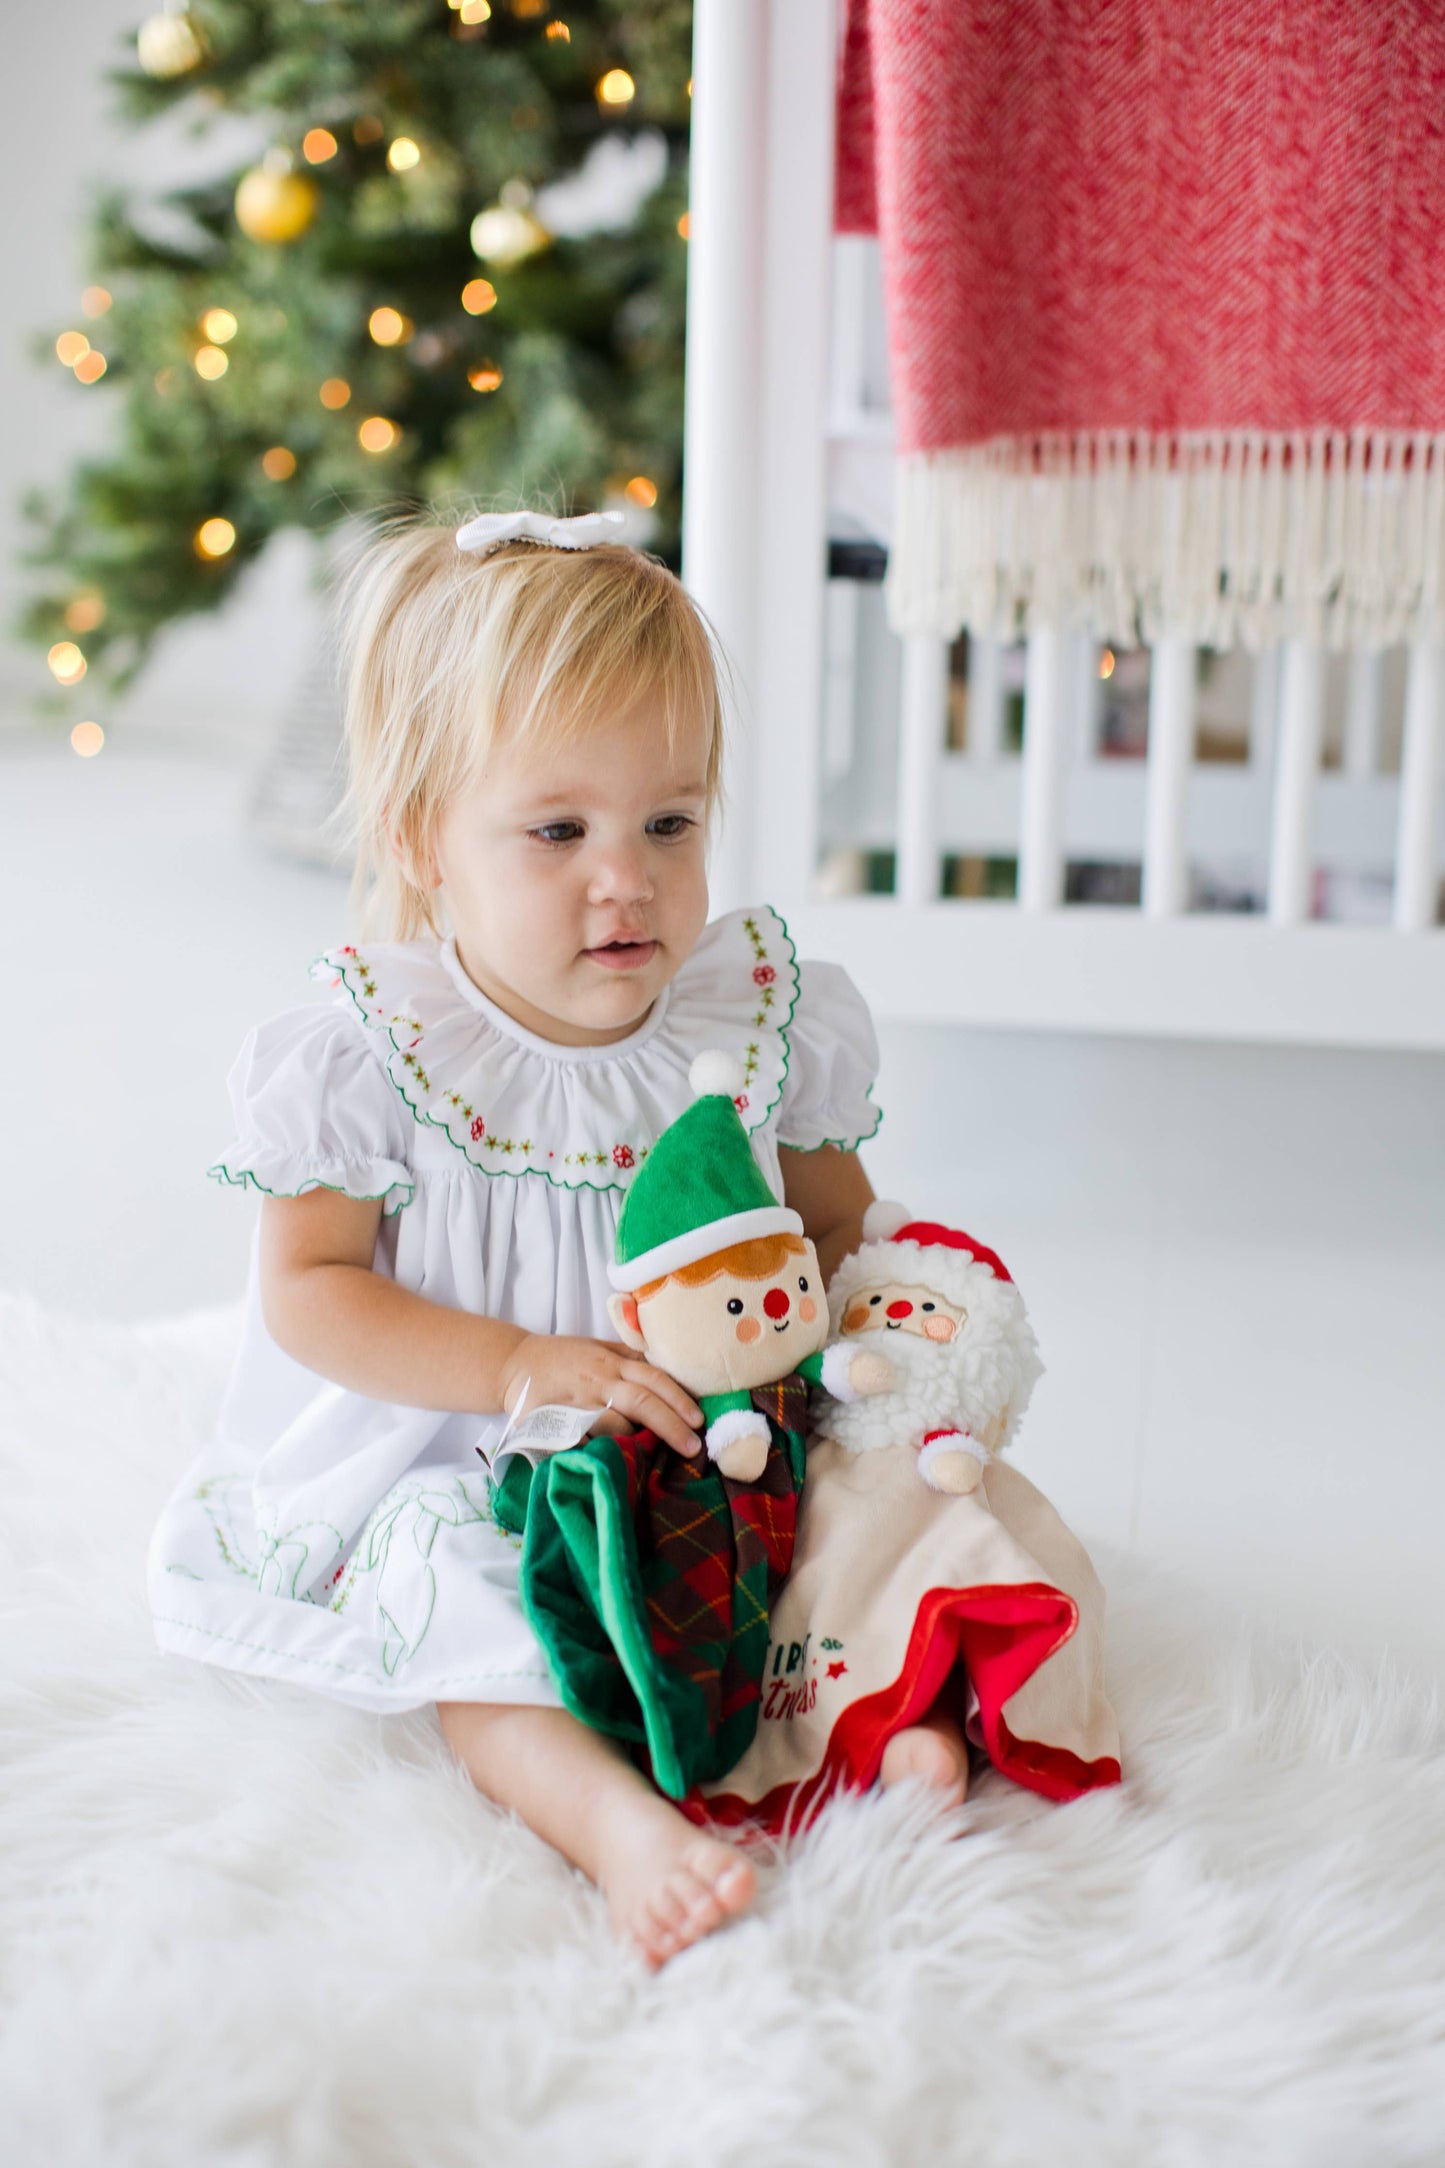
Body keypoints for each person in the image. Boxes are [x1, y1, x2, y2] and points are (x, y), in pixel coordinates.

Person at [148, 506, 965, 1969]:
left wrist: (877, 1343)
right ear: (422, 838)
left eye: (670, 821)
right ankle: (608, 1820)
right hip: (467, 1439)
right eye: (557, 832)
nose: (626, 879)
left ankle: (888, 1724)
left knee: (875, 1522)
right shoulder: (369, 1054)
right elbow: (312, 1296)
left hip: (704, 1424)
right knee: (477, 1600)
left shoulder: (756, 1017)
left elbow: (837, 1225)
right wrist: (523, 1365)